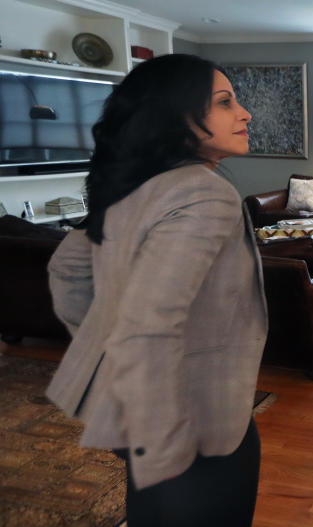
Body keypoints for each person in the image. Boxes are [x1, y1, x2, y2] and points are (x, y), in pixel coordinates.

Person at [45, 54, 268, 527]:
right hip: (195, 424)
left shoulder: (142, 186)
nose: (244, 113)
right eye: (225, 102)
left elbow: (68, 273)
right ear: (175, 116)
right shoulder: (205, 193)